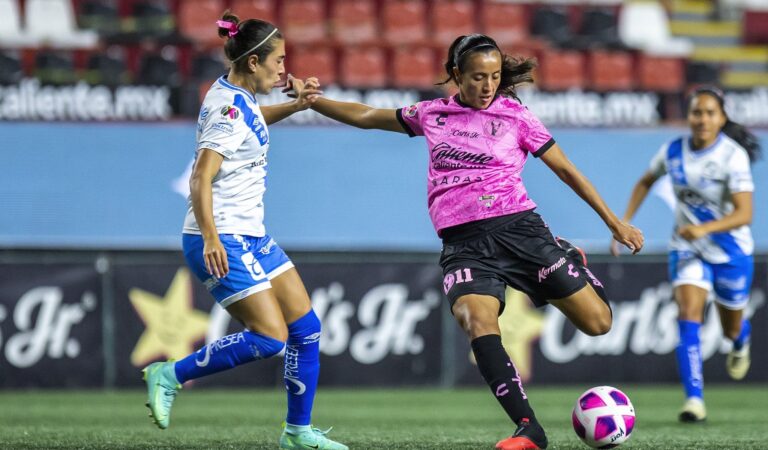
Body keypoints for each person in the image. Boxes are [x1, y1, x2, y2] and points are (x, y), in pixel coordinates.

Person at [301, 34, 644, 450]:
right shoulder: (431, 114)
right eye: (478, 77)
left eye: (495, 77)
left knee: (598, 323)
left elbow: (566, 170)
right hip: (463, 244)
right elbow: (367, 114)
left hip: (519, 230)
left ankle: (571, 257)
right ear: (456, 75)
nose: (487, 86)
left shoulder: (515, 115)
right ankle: (529, 428)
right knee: (475, 320)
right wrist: (313, 101)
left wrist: (614, 222)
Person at [141, 12, 348, 450]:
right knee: (271, 338)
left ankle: (297, 432)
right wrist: (212, 237)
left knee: (306, 329)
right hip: (221, 236)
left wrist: (296, 104)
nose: (283, 69)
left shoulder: (237, 94)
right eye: (278, 61)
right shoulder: (226, 109)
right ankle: (170, 374)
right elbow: (201, 176)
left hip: (250, 233)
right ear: (254, 62)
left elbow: (250, 123)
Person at [612, 86, 760, 423]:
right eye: (697, 112)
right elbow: (645, 181)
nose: (702, 119)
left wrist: (705, 229)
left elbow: (744, 214)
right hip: (687, 247)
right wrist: (625, 222)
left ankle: (740, 341)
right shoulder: (673, 151)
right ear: (688, 116)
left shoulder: (732, 156)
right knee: (688, 315)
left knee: (730, 329)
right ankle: (694, 400)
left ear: (722, 118)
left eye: (710, 113)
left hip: (730, 251)